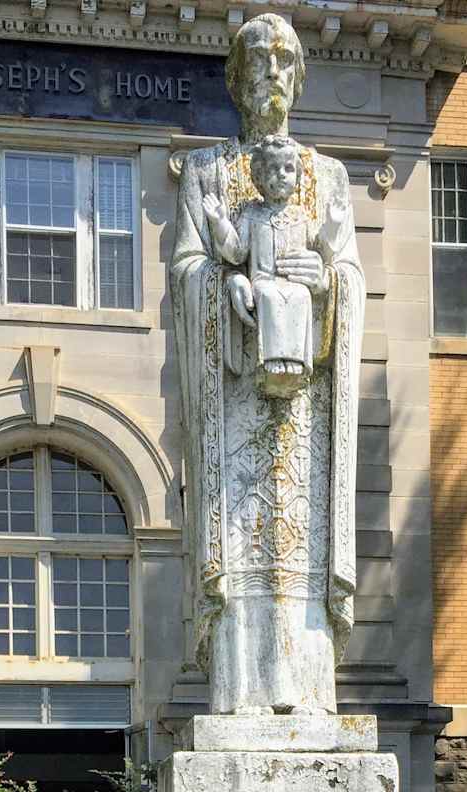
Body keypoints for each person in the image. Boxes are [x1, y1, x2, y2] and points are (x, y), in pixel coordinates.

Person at [169, 12, 365, 715]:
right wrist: (230, 290)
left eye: (285, 63)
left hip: (304, 407)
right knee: (243, 541)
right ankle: (240, 697)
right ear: (237, 79)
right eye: (258, 63)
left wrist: (325, 283)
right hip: (235, 400)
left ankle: (310, 695)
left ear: (299, 78)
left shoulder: (328, 175)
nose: (272, 76)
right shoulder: (207, 172)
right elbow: (188, 268)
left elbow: (349, 273)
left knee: (299, 559)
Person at [202, 135, 317, 398]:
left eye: (288, 169)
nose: (281, 175)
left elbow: (318, 245)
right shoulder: (251, 214)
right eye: (272, 169)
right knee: (268, 296)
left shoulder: (300, 216)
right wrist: (220, 221)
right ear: (259, 177)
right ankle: (272, 361)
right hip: (263, 281)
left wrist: (332, 226)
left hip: (293, 282)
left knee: (301, 295)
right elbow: (236, 251)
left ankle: (296, 362)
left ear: (297, 176)